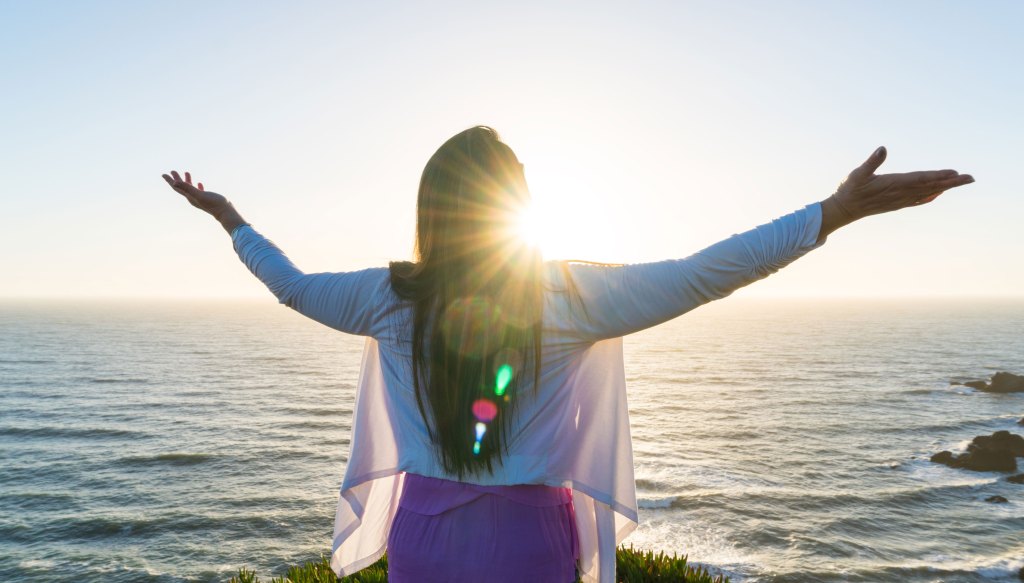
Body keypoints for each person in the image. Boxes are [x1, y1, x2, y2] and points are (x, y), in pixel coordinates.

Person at [162, 126, 973, 583]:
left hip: (424, 542)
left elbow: (292, 285)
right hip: (527, 546)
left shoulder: (388, 295)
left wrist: (230, 219)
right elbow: (704, 274)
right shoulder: (570, 298)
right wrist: (828, 214)